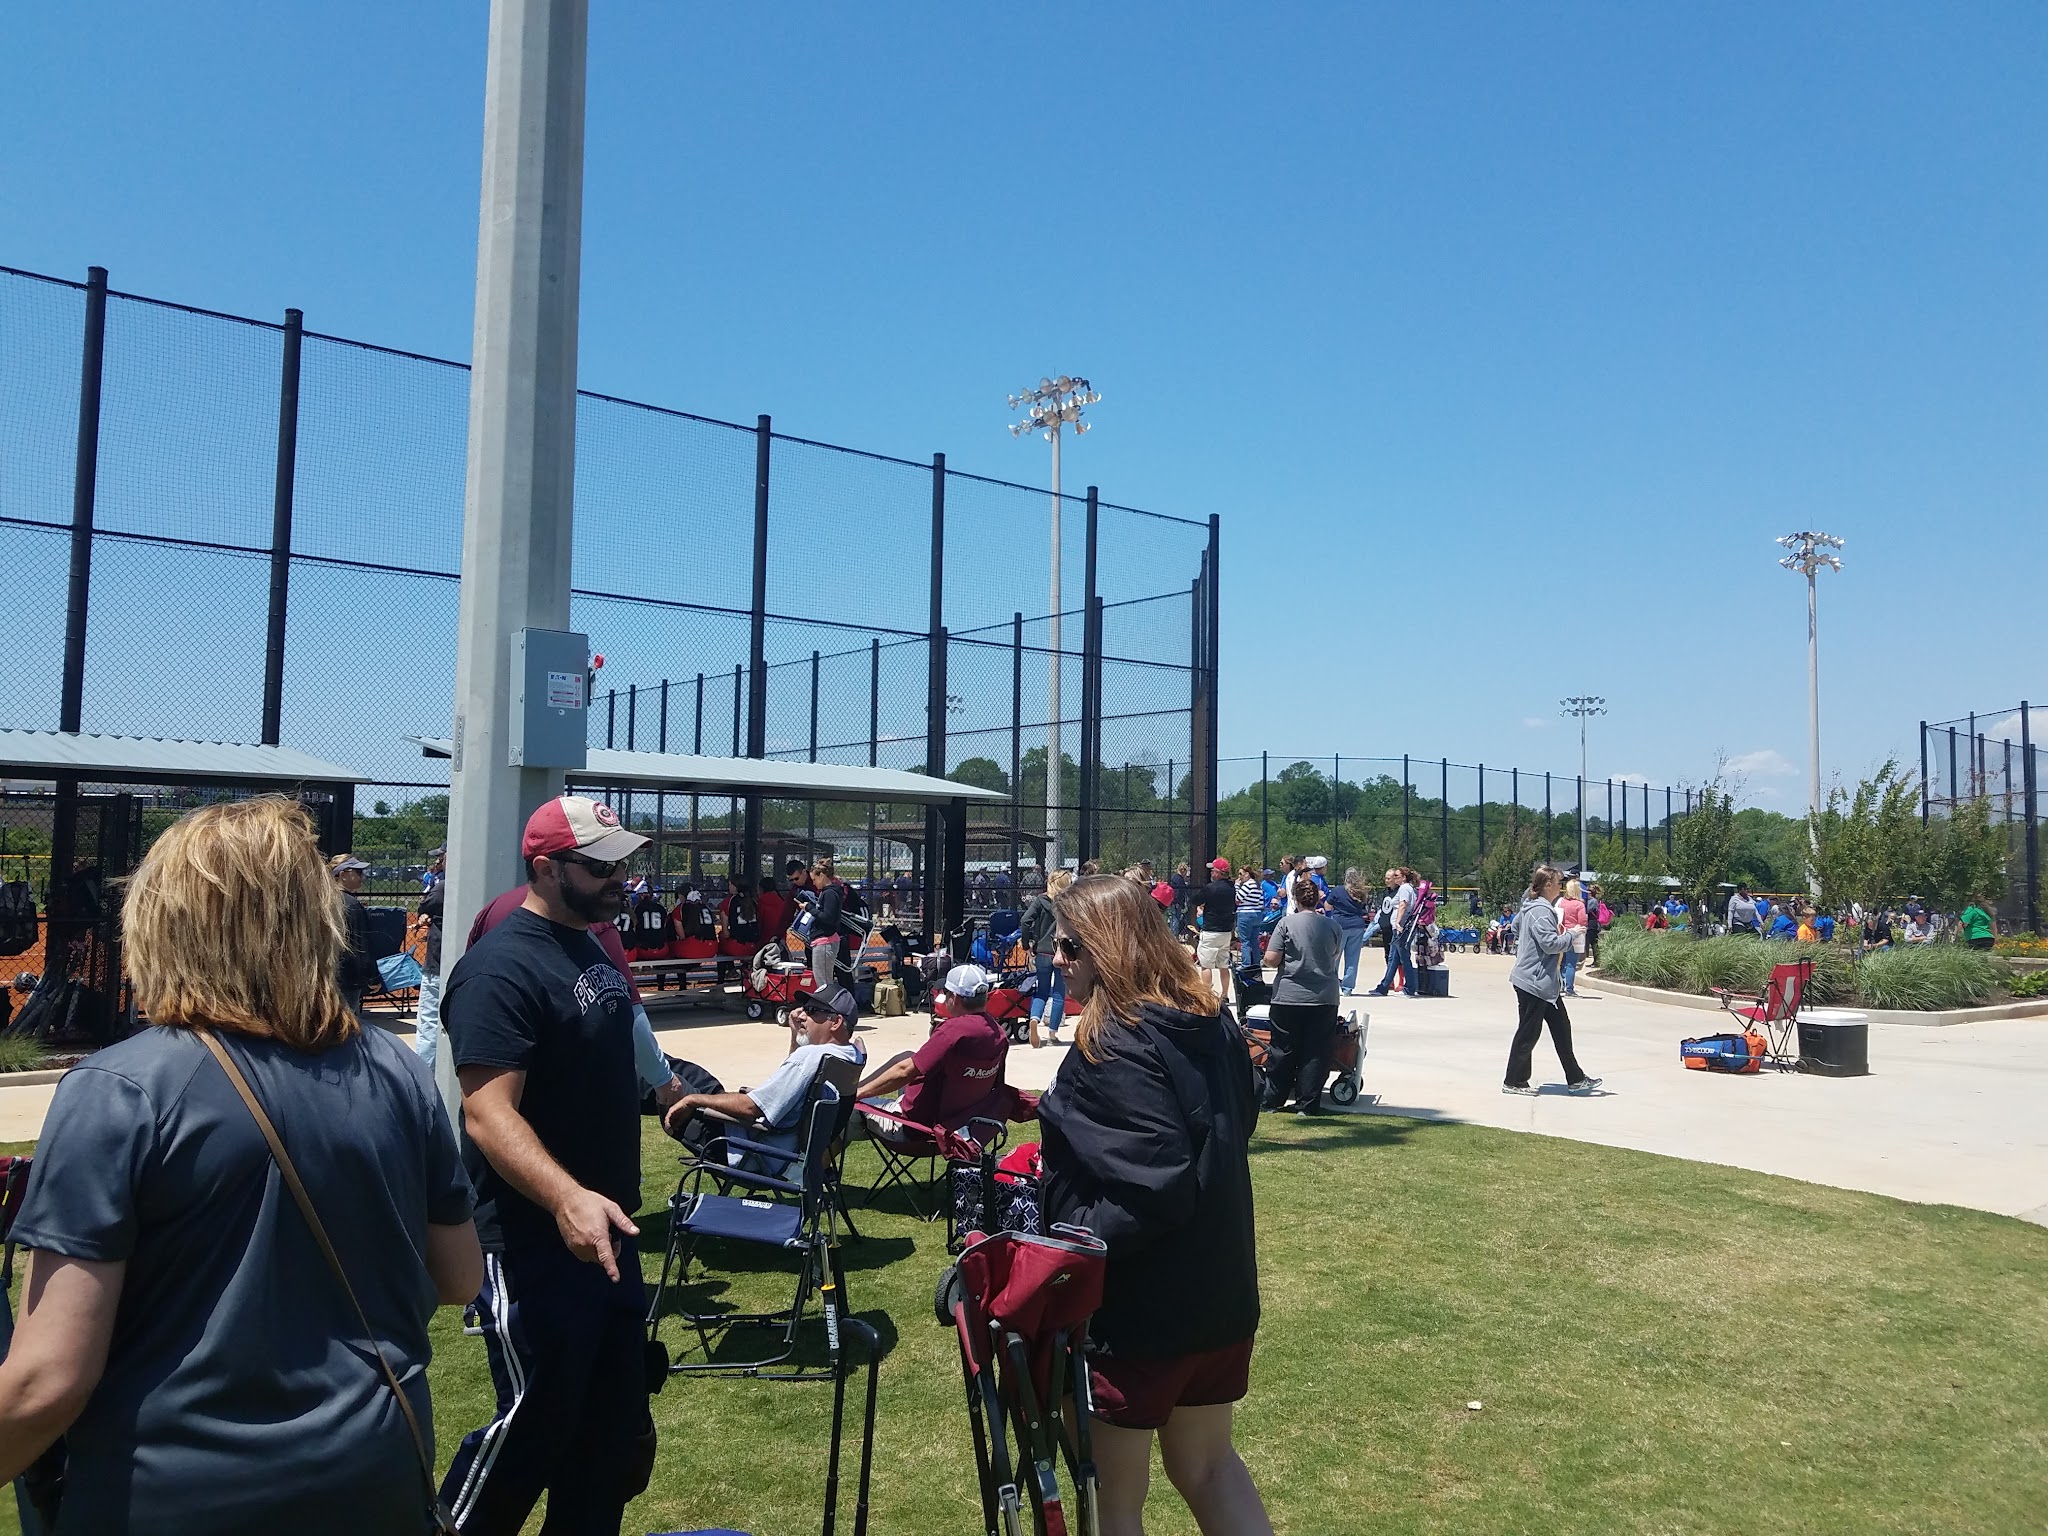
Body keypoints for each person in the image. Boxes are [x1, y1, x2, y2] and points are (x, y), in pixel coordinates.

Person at [0, 798, 480, 1534]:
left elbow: (45, 1382)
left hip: (172, 1493)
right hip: (375, 1476)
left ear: (162, 921)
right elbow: (460, 1277)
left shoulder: (119, 1090)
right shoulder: (395, 1069)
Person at [438, 795, 656, 1535]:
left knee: (608, 1440)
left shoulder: (589, 947)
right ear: (544, 868)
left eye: (622, 863)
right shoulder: (499, 971)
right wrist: (567, 1198)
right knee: (534, 1426)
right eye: (600, 866)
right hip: (534, 1243)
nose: (619, 878)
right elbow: (487, 1113)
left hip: (610, 1235)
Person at [1035, 876, 1271, 1536]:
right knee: (1209, 1468)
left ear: (1108, 947)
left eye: (1069, 945)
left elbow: (1155, 1186)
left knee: (1115, 1501)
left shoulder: (1114, 1042)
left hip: (1138, 1312)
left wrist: (1063, 1242)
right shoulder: (1212, 1023)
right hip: (1219, 1291)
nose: (1057, 958)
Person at [668, 983, 867, 1163]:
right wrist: (796, 1035)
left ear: (836, 1022)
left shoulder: (811, 1056)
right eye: (804, 1008)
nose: (802, 1015)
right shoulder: (850, 1056)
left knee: (669, 1085)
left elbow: (751, 1108)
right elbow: (791, 1087)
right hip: (790, 1150)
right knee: (692, 1076)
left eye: (812, 1011)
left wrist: (692, 1100)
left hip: (750, 1150)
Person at [857, 964, 1015, 1132]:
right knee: (907, 1055)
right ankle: (854, 1089)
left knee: (850, 1111)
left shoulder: (953, 1031)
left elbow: (904, 1071)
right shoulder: (998, 1033)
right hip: (964, 1121)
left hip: (919, 1126)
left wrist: (860, 1094)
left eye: (946, 992)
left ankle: (851, 1095)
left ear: (954, 998)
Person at [1504, 864, 1600, 1097]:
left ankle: (1576, 1079)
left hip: (1544, 984)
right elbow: (1550, 945)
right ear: (1548, 885)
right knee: (1528, 1033)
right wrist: (1571, 934)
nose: (1561, 887)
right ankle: (1514, 1081)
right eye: (1558, 883)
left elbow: (1516, 927)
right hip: (1534, 982)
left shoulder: (1530, 906)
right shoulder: (1540, 910)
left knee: (1561, 1029)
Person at [1261, 874, 1343, 1115]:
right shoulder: (1333, 926)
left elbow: (1272, 958)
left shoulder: (1285, 924)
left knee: (1282, 1049)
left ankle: (1274, 1099)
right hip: (1324, 997)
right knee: (1316, 1051)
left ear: (1295, 899)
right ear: (1317, 899)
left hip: (1289, 995)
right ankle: (1307, 1103)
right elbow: (1334, 956)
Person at [1021, 868, 1073, 1048]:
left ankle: (1034, 1019)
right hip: (1061, 951)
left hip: (1042, 951)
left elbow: (1025, 920)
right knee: (1059, 993)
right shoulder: (1068, 903)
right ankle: (1052, 1034)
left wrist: (1026, 944)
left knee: (1041, 991)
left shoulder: (1040, 900)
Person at [330, 852, 378, 1020]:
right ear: (343, 874)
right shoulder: (351, 904)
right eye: (357, 872)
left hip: (324, 974)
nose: (361, 876)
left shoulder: (322, 899)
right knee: (347, 1023)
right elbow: (361, 945)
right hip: (347, 977)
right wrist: (372, 976)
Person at [415, 846, 448, 1066]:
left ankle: (423, 1075)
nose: (438, 861)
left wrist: (425, 913)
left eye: (441, 857)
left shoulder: (443, 886)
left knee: (429, 1021)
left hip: (437, 964)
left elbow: (425, 904)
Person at [1192, 856, 1238, 1006]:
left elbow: (1195, 900)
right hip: (1226, 931)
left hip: (1211, 931)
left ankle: (1207, 995)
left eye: (1213, 871)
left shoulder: (1210, 888)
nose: (1211, 873)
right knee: (1223, 965)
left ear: (1218, 872)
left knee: (1206, 965)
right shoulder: (1232, 888)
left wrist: (1202, 908)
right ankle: (1225, 995)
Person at [1366, 868, 1417, 998]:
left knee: (1403, 958)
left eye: (1397, 875)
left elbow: (1403, 905)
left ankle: (1410, 987)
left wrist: (1398, 922)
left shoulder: (1404, 888)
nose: (1394, 878)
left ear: (1404, 877)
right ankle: (1384, 987)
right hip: (1399, 928)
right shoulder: (1407, 888)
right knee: (1393, 959)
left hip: (1400, 928)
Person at [1326, 867, 1374, 994]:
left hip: (1340, 926)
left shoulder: (1338, 890)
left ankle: (1332, 984)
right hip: (1357, 926)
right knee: (1352, 959)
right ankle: (1347, 988)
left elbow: (1327, 906)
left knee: (1335, 957)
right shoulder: (1361, 892)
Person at [805, 859, 847, 988]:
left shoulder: (830, 893)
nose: (813, 883)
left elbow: (828, 917)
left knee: (823, 984)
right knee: (825, 981)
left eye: (814, 879)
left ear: (822, 876)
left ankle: (828, 1001)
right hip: (824, 941)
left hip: (825, 942)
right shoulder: (828, 892)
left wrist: (809, 908)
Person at [1557, 878, 1588, 997]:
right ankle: (1569, 989)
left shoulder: (1561, 902)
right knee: (1571, 963)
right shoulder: (1579, 905)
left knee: (1562, 961)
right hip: (1575, 934)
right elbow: (1582, 921)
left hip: (1562, 933)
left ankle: (1561, 985)